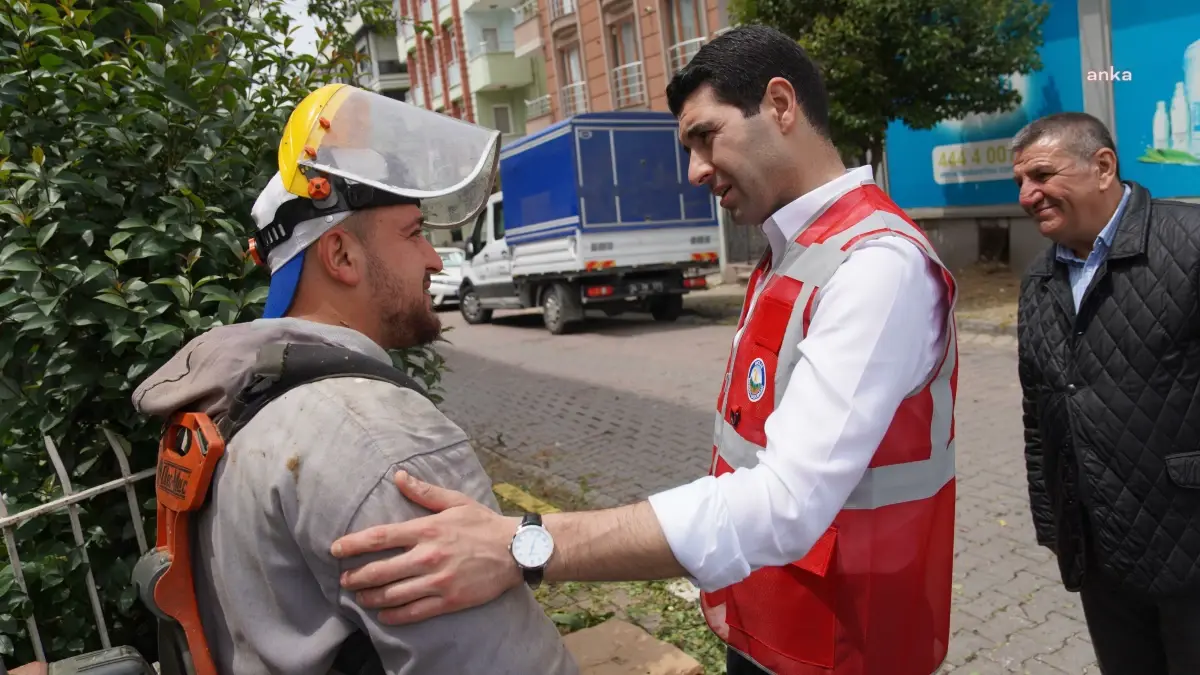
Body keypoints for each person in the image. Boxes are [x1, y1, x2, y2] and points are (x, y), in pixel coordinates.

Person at [327, 25, 960, 675]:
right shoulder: (792, 249)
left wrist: (525, 544)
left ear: (779, 105)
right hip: (777, 633)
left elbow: (784, 502)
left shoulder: (876, 267)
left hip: (855, 645)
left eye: (705, 136)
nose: (694, 171)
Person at [130, 84, 576, 674]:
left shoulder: (239, 399)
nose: (437, 260)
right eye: (414, 233)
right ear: (341, 256)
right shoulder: (378, 439)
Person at [1009, 111, 1200, 674]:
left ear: (1102, 167)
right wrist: (1053, 522)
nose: (1027, 194)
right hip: (1099, 550)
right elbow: (1035, 413)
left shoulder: (1189, 245)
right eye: (1020, 182)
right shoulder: (1039, 281)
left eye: (1041, 174)